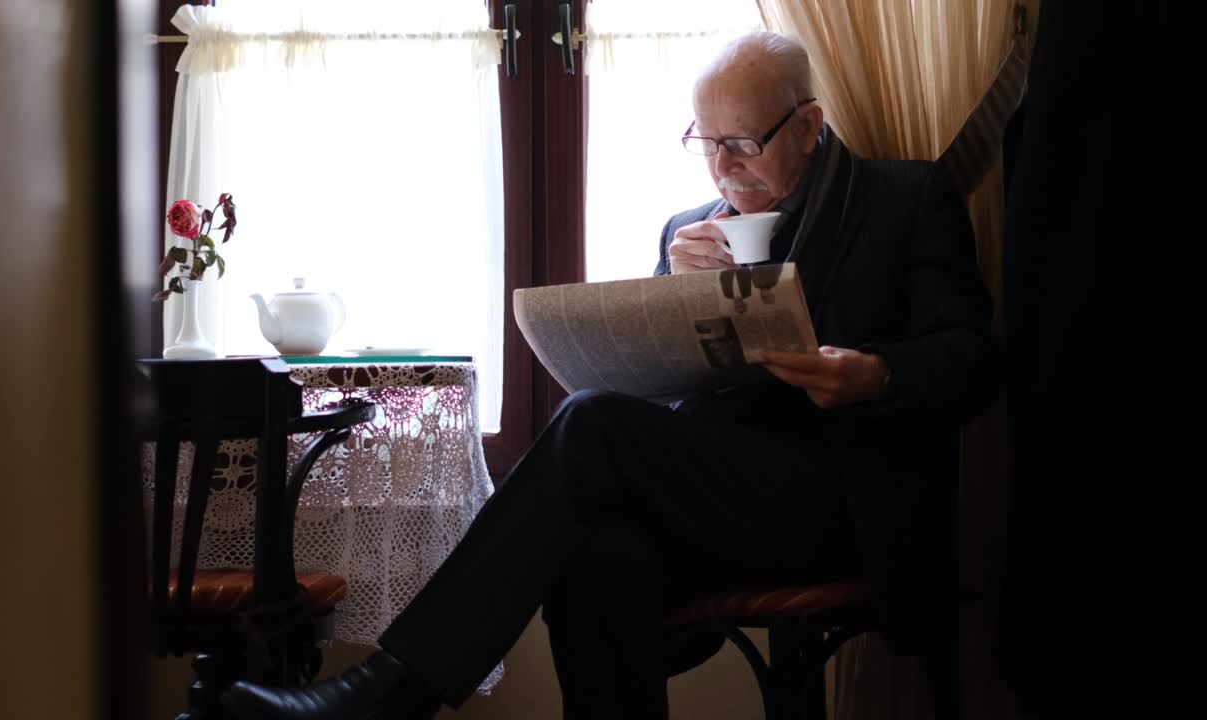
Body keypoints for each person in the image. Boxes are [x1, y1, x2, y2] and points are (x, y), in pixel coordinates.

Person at [222, 31, 1000, 720]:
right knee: (597, 544)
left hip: (842, 503)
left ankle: (389, 693)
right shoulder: (691, 232)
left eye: (744, 145)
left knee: (592, 424)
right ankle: (394, 692)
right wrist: (670, 285)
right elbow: (657, 389)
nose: (723, 168)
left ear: (807, 126)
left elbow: (977, 361)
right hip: (716, 502)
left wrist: (874, 376)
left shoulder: (906, 200)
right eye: (707, 142)